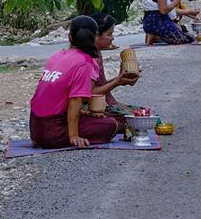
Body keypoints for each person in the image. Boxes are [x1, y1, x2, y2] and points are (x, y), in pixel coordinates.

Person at [29, 16, 118, 149]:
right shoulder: (85, 63)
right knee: (111, 125)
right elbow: (75, 100)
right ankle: (61, 137)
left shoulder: (57, 56)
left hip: (35, 128)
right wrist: (73, 136)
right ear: (95, 38)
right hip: (52, 132)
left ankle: (42, 138)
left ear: (69, 37)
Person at [89, 13, 142, 132]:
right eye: (109, 34)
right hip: (92, 105)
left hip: (103, 101)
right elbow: (90, 93)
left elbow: (99, 86)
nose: (112, 38)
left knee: (142, 113)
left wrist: (121, 78)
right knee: (135, 120)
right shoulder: (89, 58)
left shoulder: (96, 53)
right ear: (96, 36)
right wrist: (117, 81)